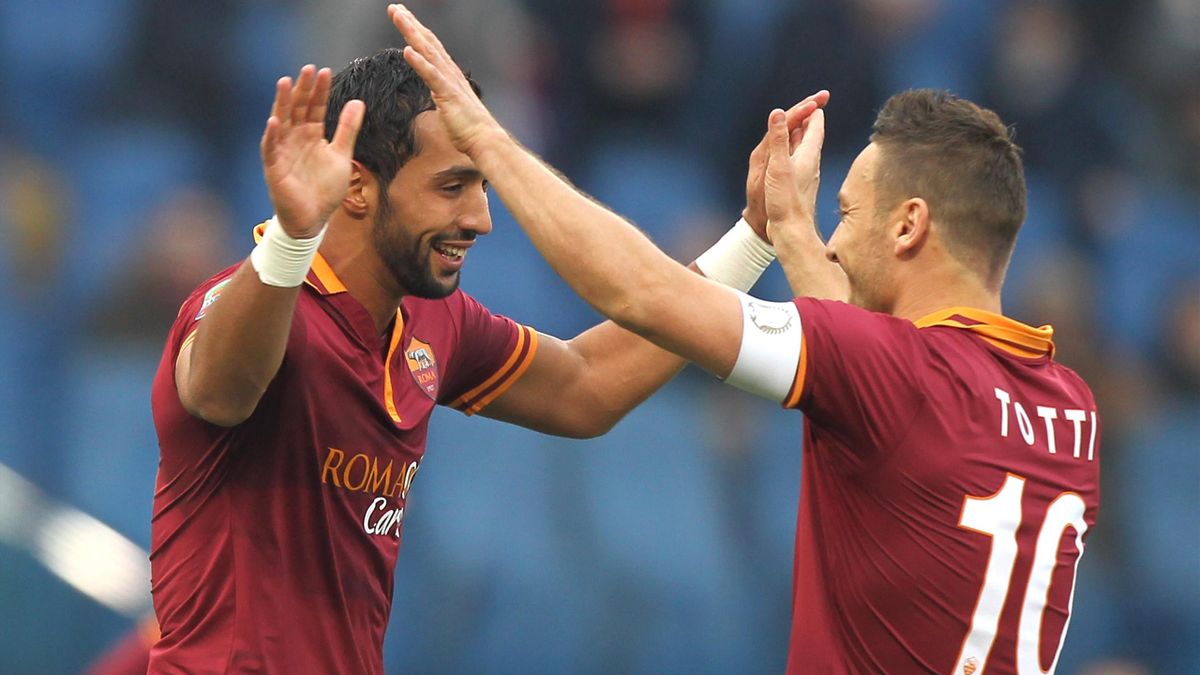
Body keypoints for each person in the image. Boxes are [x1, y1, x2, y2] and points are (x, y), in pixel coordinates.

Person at [391, 4, 1101, 673]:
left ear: (909, 225)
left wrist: (488, 138)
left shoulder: (896, 372)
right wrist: (778, 231)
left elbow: (637, 291)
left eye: (847, 213)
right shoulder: (1071, 409)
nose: (834, 238)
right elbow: (877, 369)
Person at [147, 40, 829, 673]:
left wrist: (754, 237)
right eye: (452, 187)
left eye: (481, 187)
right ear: (356, 186)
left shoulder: (432, 319)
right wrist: (295, 238)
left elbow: (585, 386)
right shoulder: (242, 306)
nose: (481, 218)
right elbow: (221, 392)